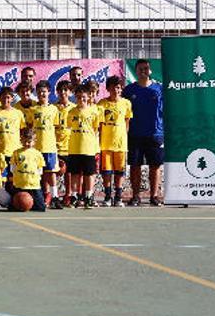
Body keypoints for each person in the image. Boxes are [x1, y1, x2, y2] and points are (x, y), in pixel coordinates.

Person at [123, 59, 164, 206]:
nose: (143, 71)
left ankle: (154, 196)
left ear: (150, 71)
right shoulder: (129, 90)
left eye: (146, 68)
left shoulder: (160, 89)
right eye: (140, 69)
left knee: (155, 166)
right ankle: (135, 196)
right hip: (134, 134)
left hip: (155, 134)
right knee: (135, 166)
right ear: (135, 70)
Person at [99, 76, 133, 207]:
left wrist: (122, 137)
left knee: (119, 172)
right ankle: (108, 197)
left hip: (120, 145)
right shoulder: (102, 103)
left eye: (118, 88)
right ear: (108, 88)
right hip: (106, 144)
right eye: (113, 88)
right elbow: (99, 124)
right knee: (106, 172)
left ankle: (118, 197)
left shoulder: (126, 103)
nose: (115, 90)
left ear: (121, 89)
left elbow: (127, 122)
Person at [67, 84, 101, 209]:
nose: (82, 99)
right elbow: (68, 128)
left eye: (84, 97)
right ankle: (75, 197)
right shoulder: (71, 112)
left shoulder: (94, 112)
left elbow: (96, 130)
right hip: (74, 148)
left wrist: (95, 147)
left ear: (89, 97)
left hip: (88, 149)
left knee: (89, 174)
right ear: (76, 97)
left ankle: (89, 196)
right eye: (79, 97)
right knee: (75, 174)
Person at [31, 81, 60, 207]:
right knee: (37, 173)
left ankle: (55, 197)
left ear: (49, 92)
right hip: (36, 148)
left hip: (49, 146)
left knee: (51, 172)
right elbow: (29, 127)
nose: (42, 94)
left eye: (44, 91)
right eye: (39, 91)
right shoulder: (33, 109)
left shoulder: (54, 109)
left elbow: (57, 127)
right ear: (36, 93)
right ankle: (39, 196)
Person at [10, 128, 46, 211]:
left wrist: (35, 176)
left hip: (34, 185)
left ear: (34, 141)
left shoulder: (38, 154)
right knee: (13, 207)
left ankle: (30, 204)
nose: (27, 143)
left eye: (29, 142)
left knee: (41, 208)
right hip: (19, 185)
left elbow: (40, 169)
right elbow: (13, 167)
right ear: (21, 140)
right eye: (24, 141)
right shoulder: (16, 153)